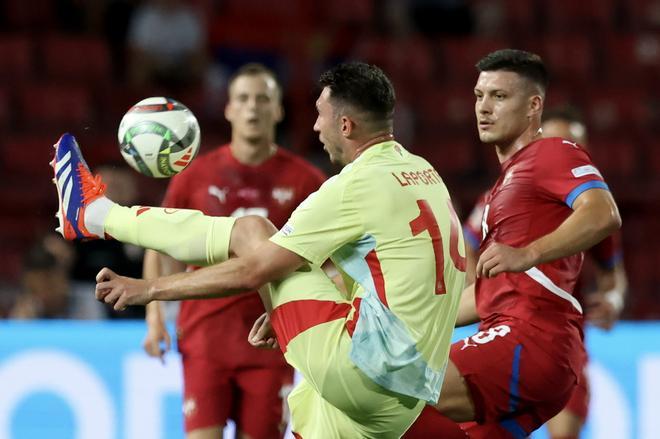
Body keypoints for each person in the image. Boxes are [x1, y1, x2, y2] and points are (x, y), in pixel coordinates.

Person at [51, 62, 467, 438]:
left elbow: (255, 269)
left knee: (254, 231)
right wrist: (292, 305)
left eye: (320, 116)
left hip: (361, 371)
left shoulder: (352, 185)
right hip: (407, 396)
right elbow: (380, 271)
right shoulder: (425, 174)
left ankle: (95, 215)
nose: (316, 128)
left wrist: (150, 291)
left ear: (345, 125)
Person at [406, 49, 621, 438]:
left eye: (499, 96)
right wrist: (400, 316)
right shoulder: (504, 189)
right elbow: (487, 295)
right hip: (528, 345)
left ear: (533, 106)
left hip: (531, 337)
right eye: (478, 96)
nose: (483, 108)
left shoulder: (552, 152)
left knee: (391, 389)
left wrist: (528, 253)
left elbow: (604, 214)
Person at [142, 63, 326, 439]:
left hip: (271, 338)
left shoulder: (307, 181)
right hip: (205, 335)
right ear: (228, 109)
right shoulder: (195, 176)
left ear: (278, 110)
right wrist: (154, 317)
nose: (252, 108)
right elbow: (158, 245)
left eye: (263, 99)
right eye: (243, 98)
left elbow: (327, 256)